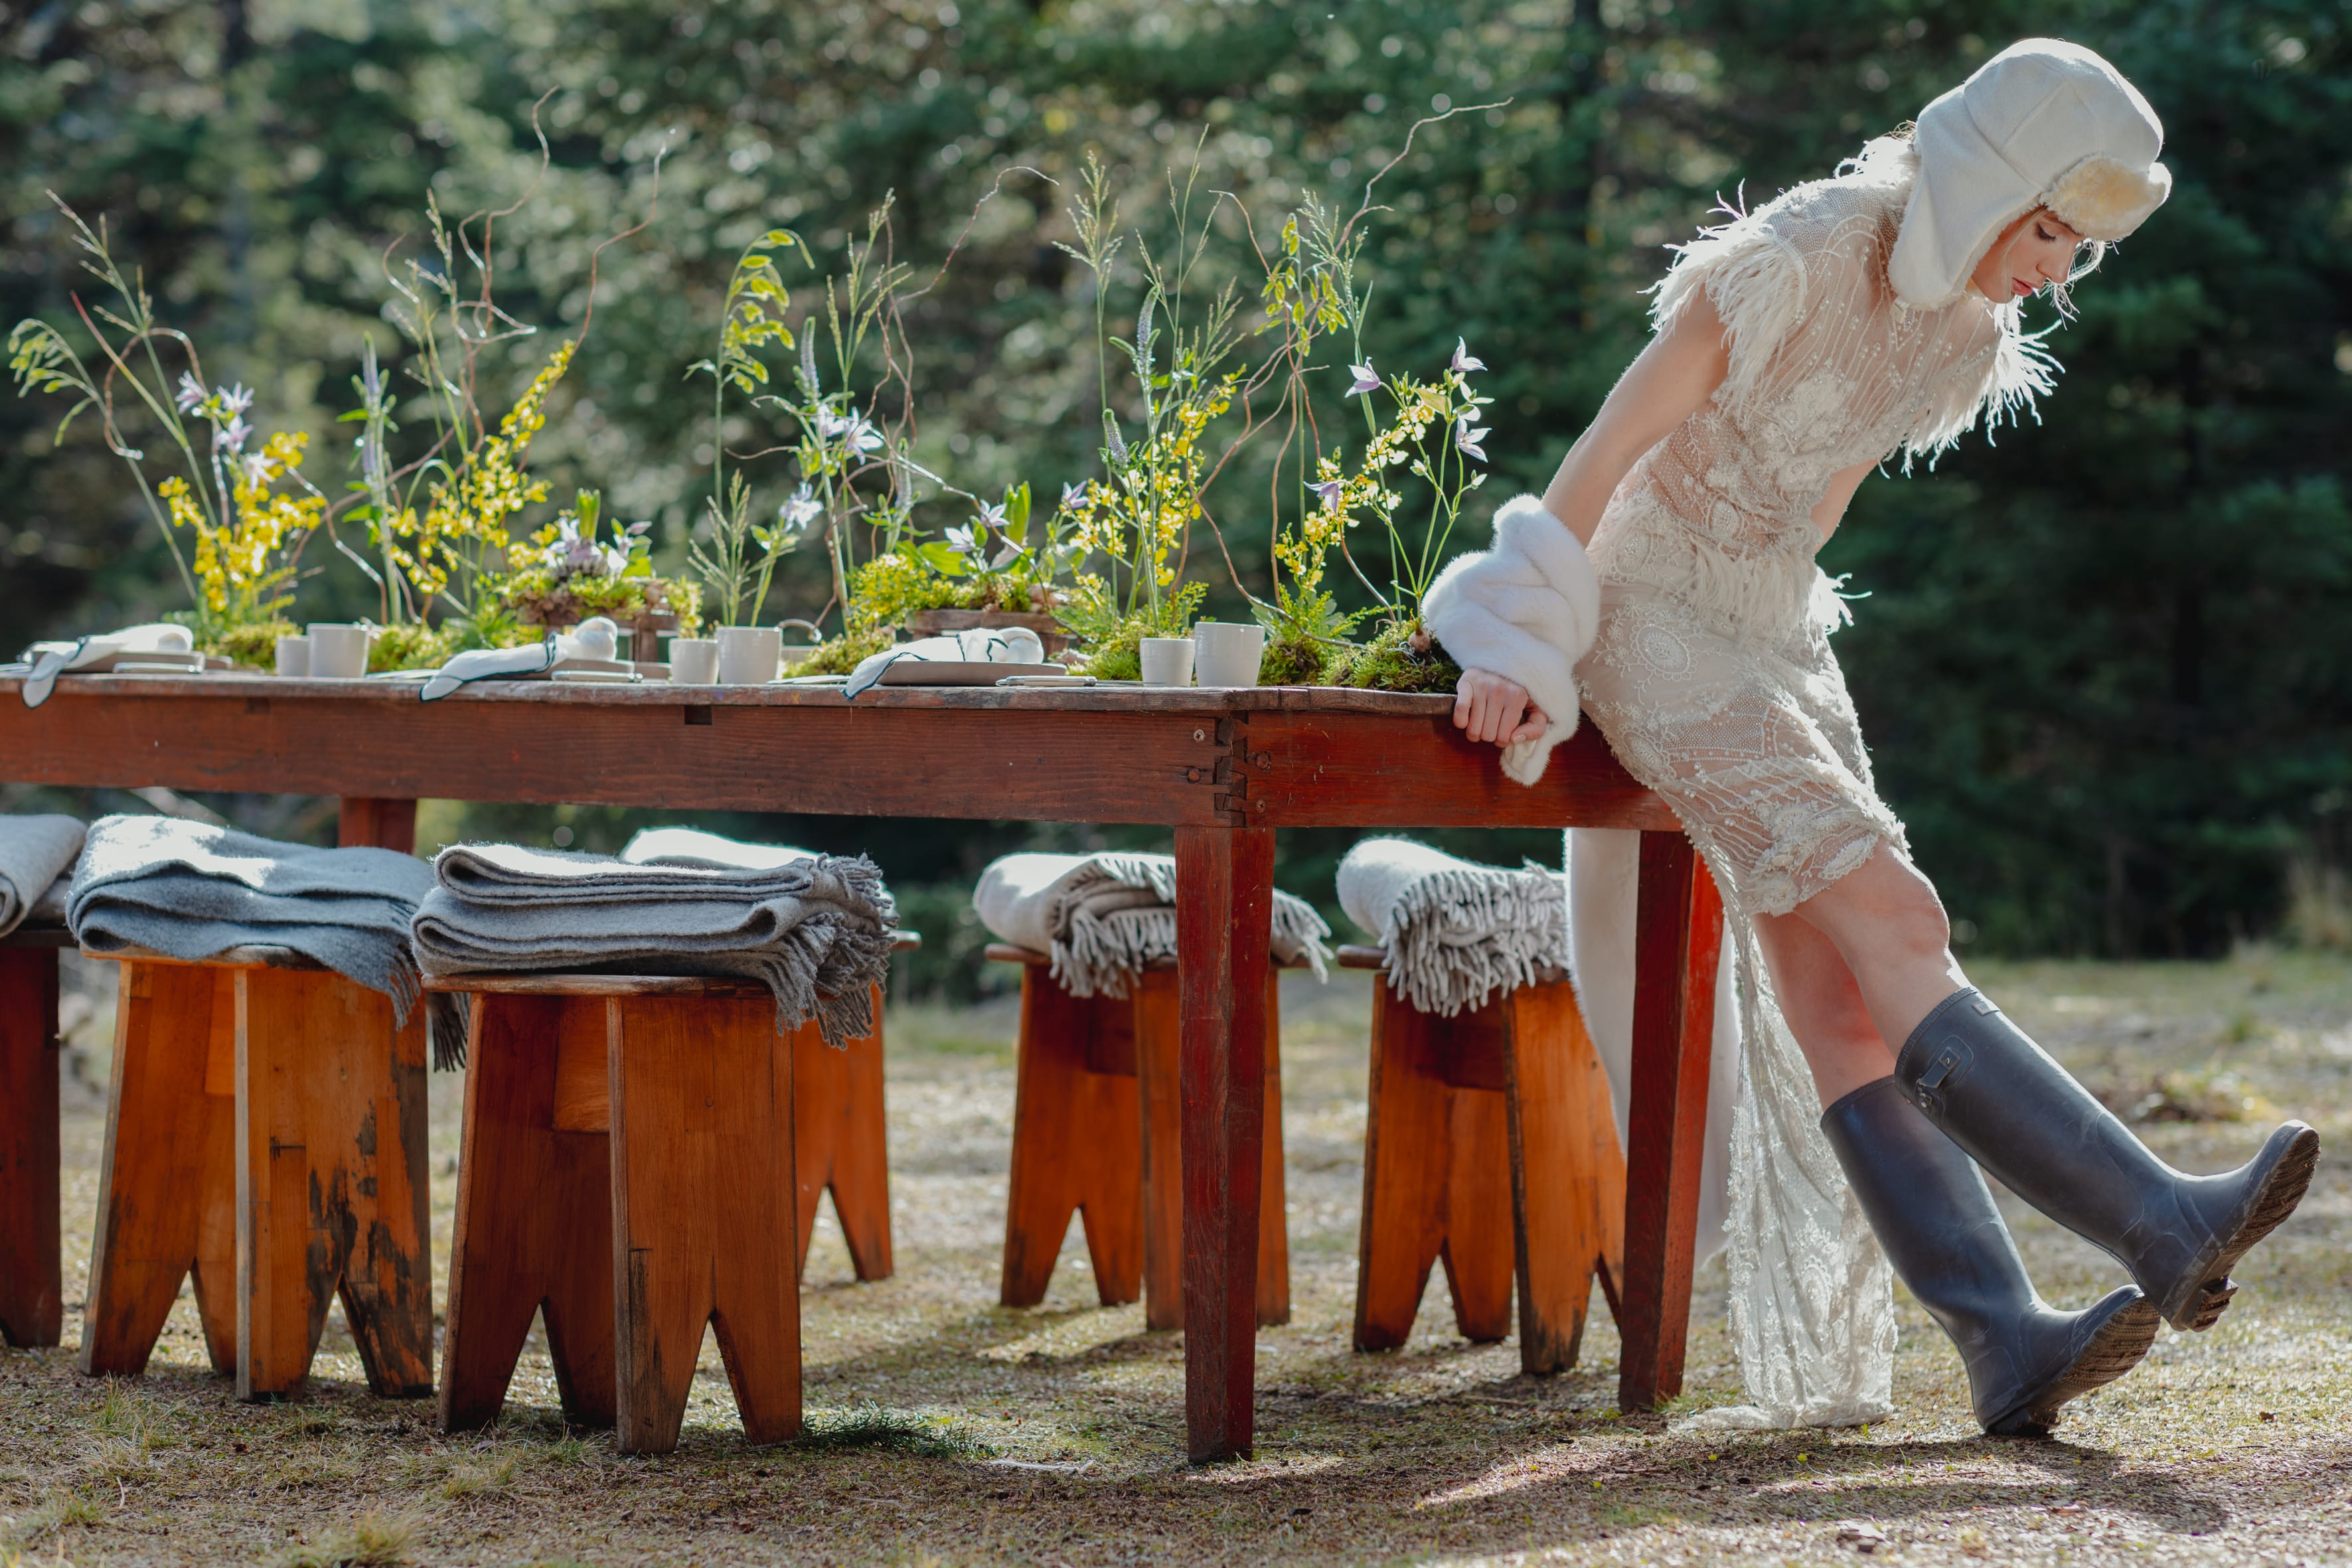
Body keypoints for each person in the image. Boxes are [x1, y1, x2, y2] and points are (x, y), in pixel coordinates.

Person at [1425, 38, 2319, 1437]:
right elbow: (1609, 443)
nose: (2055, 274)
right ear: (1987, 184)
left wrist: (1770, 607)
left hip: (1776, 623)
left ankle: (2000, 1338)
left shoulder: (1962, 331)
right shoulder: (1802, 251)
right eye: (2047, 232)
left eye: (2079, 250)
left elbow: (1818, 501)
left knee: (1840, 990)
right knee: (1898, 911)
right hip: (1651, 608)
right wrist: (1522, 635)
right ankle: (2159, 1217)